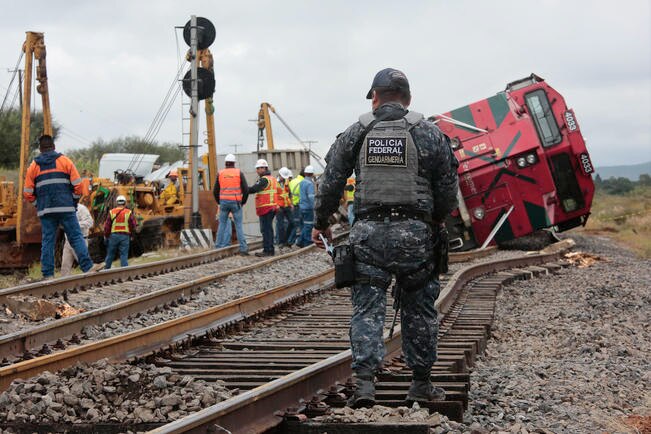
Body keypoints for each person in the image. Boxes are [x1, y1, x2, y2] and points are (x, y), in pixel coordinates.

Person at [312, 68, 459, 408]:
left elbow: (331, 180)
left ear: (375, 98)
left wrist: (322, 222)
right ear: (408, 100)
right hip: (416, 239)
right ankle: (420, 384)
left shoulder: (356, 133)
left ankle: (365, 385)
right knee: (420, 310)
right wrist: (434, 221)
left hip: (368, 238)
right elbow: (448, 187)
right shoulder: (429, 133)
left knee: (366, 310)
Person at [23, 134, 100, 279]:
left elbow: (27, 193)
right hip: (66, 208)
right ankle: (87, 267)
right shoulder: (65, 161)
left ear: (40, 149)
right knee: (76, 237)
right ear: (53, 146)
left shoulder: (34, 166)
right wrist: (74, 202)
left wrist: (38, 204)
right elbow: (78, 186)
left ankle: (48, 275)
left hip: (46, 210)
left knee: (47, 241)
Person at [213, 154, 249, 255]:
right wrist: (243, 202)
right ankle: (243, 249)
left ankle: (218, 247)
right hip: (236, 202)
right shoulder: (239, 173)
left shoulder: (220, 173)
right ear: (234, 163)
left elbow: (215, 190)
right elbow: (246, 190)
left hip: (224, 202)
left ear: (225, 163)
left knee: (222, 224)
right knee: (238, 226)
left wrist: (219, 202)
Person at [248, 159, 277, 257]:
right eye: (257, 168)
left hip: (266, 208)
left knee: (266, 229)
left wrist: (243, 188)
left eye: (259, 168)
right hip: (271, 207)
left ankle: (268, 250)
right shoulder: (272, 178)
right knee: (268, 229)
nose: (258, 170)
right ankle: (270, 249)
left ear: (265, 168)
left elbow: (253, 189)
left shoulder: (264, 180)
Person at [60, 203, 94, 276]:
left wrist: (74, 224)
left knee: (85, 266)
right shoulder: (64, 209)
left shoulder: (81, 208)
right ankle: (65, 286)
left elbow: (90, 222)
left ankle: (93, 281)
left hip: (80, 241)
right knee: (65, 267)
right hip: (68, 242)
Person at [103, 195, 137, 269]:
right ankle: (124, 271)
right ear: (124, 203)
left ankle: (105, 271)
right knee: (123, 255)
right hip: (125, 236)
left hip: (113, 236)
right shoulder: (128, 212)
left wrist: (106, 235)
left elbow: (107, 226)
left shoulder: (111, 212)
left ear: (116, 203)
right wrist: (132, 236)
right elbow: (133, 225)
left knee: (110, 254)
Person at [296, 165, 316, 247]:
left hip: (302, 206)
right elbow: (311, 197)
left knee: (304, 225)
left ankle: (302, 241)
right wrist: (314, 207)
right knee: (308, 225)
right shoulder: (310, 184)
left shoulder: (302, 182)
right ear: (312, 174)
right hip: (308, 207)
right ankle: (304, 241)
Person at [275, 167, 294, 247]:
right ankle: (281, 242)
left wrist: (291, 203)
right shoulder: (275, 183)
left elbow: (289, 193)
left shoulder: (286, 181)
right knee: (281, 225)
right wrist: (276, 205)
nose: (284, 178)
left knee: (292, 223)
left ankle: (285, 240)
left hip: (287, 206)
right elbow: (273, 195)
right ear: (279, 175)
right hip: (279, 207)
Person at [287, 168, 304, 246]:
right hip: (300, 205)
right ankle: (296, 241)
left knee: (296, 224)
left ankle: (291, 241)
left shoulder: (293, 181)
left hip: (293, 205)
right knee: (301, 224)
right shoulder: (303, 182)